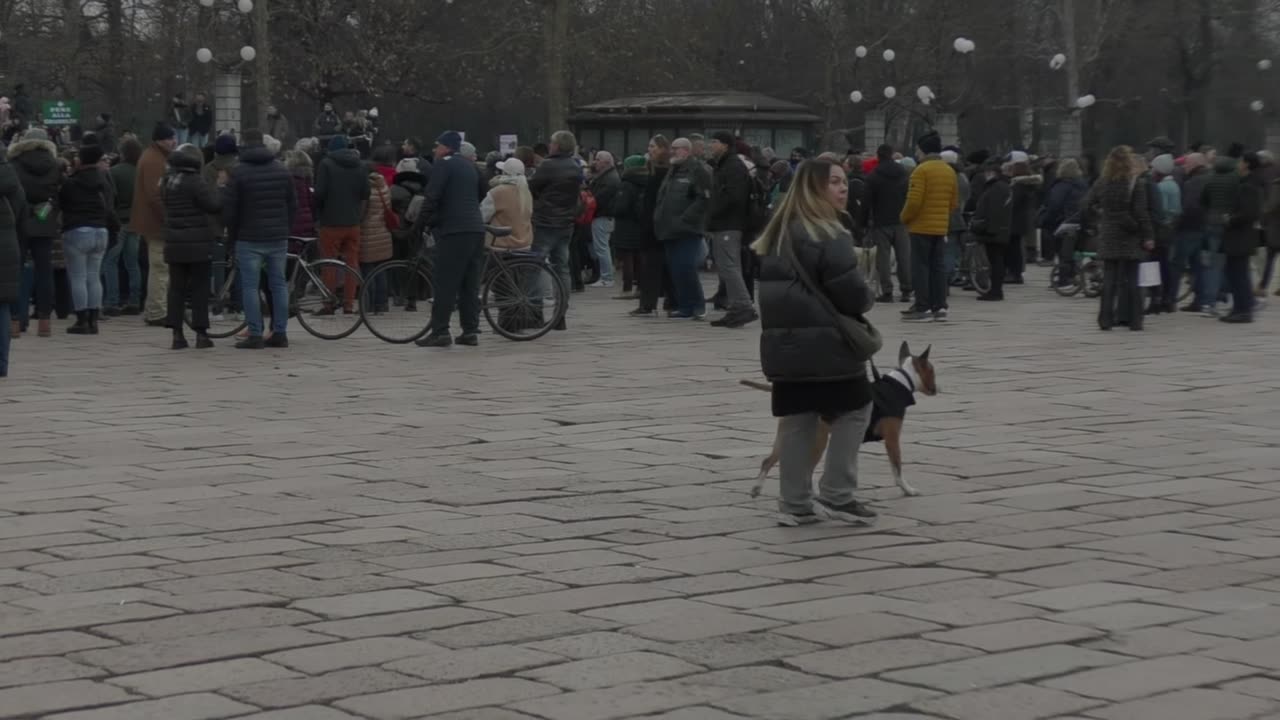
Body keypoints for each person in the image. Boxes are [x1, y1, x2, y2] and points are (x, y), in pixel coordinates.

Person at [752, 157, 877, 527]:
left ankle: (794, 502)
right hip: (828, 346)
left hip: (785, 346)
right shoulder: (830, 234)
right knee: (856, 410)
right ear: (814, 188)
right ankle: (838, 493)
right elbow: (852, 296)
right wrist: (867, 293)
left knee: (797, 420)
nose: (843, 188)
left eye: (844, 181)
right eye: (835, 182)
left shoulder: (776, 233)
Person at [222, 128, 297, 349]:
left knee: (250, 287)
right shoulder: (282, 170)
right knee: (279, 285)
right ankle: (280, 332)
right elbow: (293, 205)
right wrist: (284, 227)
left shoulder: (238, 172)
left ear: (243, 146)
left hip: (249, 237)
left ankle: (255, 333)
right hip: (277, 237)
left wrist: (232, 237)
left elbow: (230, 211)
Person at [412, 131, 484, 347]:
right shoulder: (470, 166)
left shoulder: (443, 164)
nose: (434, 150)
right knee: (470, 284)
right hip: (475, 228)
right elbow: (482, 192)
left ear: (446, 147)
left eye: (437, 145)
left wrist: (419, 225)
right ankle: (470, 331)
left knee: (445, 282)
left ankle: (441, 331)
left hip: (454, 231)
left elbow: (432, 196)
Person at [1086, 145, 1153, 331]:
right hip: (1130, 235)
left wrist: (1100, 216)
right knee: (1133, 279)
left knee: (1109, 279)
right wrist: (1148, 235)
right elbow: (1141, 213)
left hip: (1109, 234)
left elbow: (1086, 204)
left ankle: (1105, 319)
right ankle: (1135, 320)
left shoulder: (1102, 182)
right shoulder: (1135, 183)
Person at [161, 143, 221, 349]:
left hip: (174, 243)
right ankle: (201, 334)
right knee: (199, 289)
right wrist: (220, 188)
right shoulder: (197, 182)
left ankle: (177, 335)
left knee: (176, 289)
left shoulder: (168, 182)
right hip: (198, 244)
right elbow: (213, 205)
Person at [10, 128, 64, 337]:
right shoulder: (54, 165)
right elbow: (58, 195)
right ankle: (44, 321)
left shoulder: (15, 164)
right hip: (44, 219)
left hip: (20, 220)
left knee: (17, 271)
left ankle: (15, 321)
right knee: (44, 271)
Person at [899, 131, 958, 322]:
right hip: (940, 227)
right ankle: (940, 306)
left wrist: (904, 217)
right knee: (938, 267)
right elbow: (953, 202)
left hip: (920, 227)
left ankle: (922, 306)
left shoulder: (921, 171)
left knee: (920, 267)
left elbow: (914, 202)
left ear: (923, 151)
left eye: (917, 150)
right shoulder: (949, 170)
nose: (916, 154)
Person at [528, 130, 583, 330]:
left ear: (557, 146)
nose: (550, 145)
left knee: (534, 266)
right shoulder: (576, 167)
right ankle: (560, 315)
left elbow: (532, 187)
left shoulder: (548, 165)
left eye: (552, 142)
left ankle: (535, 311)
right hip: (566, 223)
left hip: (544, 222)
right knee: (562, 268)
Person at [58, 143, 114, 335]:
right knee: (94, 277)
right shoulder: (104, 179)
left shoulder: (71, 182)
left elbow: (61, 203)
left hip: (77, 230)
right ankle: (94, 320)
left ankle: (81, 320)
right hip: (101, 231)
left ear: (80, 160)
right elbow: (109, 205)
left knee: (78, 278)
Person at [654, 137, 711, 320]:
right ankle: (684, 306)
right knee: (676, 269)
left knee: (686, 267)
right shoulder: (674, 170)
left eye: (676, 148)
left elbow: (704, 198)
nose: (672, 151)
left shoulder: (697, 170)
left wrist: (685, 218)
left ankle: (697, 306)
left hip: (687, 229)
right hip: (668, 229)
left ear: (686, 150)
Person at [706, 131, 756, 328]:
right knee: (726, 267)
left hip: (730, 224)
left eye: (715, 142)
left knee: (730, 266)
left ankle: (743, 306)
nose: (712, 145)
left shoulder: (732, 165)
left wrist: (714, 211)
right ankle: (736, 308)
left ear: (725, 145)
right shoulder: (724, 164)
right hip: (724, 223)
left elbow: (735, 197)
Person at [314, 134, 369, 314]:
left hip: (330, 222)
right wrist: (358, 217)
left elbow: (320, 193)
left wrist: (319, 215)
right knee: (351, 264)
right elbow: (365, 195)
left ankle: (328, 303)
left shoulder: (326, 164)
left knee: (329, 264)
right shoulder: (361, 165)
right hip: (353, 223)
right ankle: (348, 304)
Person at [133, 123, 177, 327]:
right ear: (160, 139)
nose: (174, 141)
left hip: (153, 221)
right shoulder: (154, 160)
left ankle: (155, 309)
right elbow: (155, 195)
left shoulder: (153, 156)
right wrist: (169, 218)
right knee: (160, 268)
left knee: (158, 268)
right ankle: (157, 311)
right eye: (170, 138)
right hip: (156, 223)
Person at [861, 144, 911, 303]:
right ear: (891, 155)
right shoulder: (904, 174)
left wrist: (862, 223)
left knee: (883, 258)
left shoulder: (873, 176)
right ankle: (906, 290)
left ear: (878, 156)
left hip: (881, 221)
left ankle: (887, 291)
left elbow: (866, 202)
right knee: (904, 257)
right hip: (902, 220)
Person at [1196, 153, 1244, 316]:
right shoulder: (1236, 180)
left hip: (1211, 223)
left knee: (1213, 265)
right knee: (1233, 264)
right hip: (1229, 225)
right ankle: (1229, 296)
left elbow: (1202, 202)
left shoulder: (1210, 179)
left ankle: (1209, 303)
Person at [633, 136, 671, 317]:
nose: (650, 149)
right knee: (657, 265)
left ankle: (648, 304)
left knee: (652, 266)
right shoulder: (654, 170)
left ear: (663, 148)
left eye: (653, 146)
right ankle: (659, 302)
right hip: (653, 224)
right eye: (649, 146)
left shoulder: (661, 172)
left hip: (655, 225)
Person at [1221, 154, 1262, 323]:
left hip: (1241, 237)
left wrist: (1230, 219)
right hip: (1239, 236)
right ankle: (1239, 307)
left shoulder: (1249, 186)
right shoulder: (1246, 183)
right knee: (1234, 273)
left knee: (1239, 274)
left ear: (1246, 164)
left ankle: (1244, 310)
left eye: (1240, 161)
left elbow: (1249, 213)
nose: (1238, 164)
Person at [103, 138, 142, 316]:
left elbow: (111, 199)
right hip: (136, 221)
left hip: (118, 221)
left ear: (123, 153)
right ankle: (135, 300)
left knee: (110, 261)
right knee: (132, 263)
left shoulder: (114, 172)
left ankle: (112, 301)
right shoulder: (141, 172)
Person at [0, 139, 26, 373]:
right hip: (6, 245)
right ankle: (2, 364)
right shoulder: (9, 178)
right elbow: (20, 206)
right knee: (2, 305)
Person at [971, 159, 1012, 301]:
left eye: (988, 172)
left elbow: (994, 211)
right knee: (997, 260)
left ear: (993, 173)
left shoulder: (996, 188)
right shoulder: (1003, 186)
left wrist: (988, 229)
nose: (986, 175)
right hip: (1001, 229)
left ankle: (995, 291)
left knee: (996, 261)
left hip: (994, 231)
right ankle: (996, 289)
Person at [610, 155, 649, 301]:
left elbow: (621, 207)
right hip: (641, 224)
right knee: (639, 257)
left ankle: (626, 289)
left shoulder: (627, 184)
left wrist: (614, 207)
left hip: (626, 226)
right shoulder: (647, 181)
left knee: (627, 258)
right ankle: (640, 288)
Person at [1175, 153, 1210, 311]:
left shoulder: (1192, 183)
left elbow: (1189, 208)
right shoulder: (1211, 178)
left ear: (1195, 165)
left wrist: (1178, 224)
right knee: (1199, 266)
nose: (1184, 167)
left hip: (1190, 228)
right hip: (1207, 227)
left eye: (1187, 164)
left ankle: (1169, 299)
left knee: (1177, 264)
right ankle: (1200, 299)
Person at [1041, 158, 1088, 274]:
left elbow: (1054, 205)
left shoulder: (1062, 185)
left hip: (1063, 222)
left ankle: (1064, 278)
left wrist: (1046, 220)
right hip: (1079, 221)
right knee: (1072, 250)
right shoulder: (1082, 185)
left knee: (1062, 251)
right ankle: (1073, 274)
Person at [1148, 154, 1182, 314]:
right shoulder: (1174, 185)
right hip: (1170, 231)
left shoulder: (1160, 187)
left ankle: (1155, 299)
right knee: (1165, 266)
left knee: (1154, 265)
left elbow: (1158, 211)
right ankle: (1168, 299)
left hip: (1159, 231)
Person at [359, 166, 394, 313]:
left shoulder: (367, 190)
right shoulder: (384, 187)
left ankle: (370, 305)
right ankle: (382, 304)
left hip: (368, 234)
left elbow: (362, 214)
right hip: (384, 234)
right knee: (381, 271)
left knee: (368, 271)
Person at [480, 157, 534, 251]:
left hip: (501, 243)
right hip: (525, 243)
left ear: (505, 173)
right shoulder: (526, 192)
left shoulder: (497, 192)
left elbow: (482, 216)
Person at [586, 151, 621, 289]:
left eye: (598, 159)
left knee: (602, 248)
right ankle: (606, 275)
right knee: (602, 247)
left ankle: (607, 277)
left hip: (603, 216)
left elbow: (598, 198)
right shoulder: (608, 176)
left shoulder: (610, 179)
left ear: (606, 162)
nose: (595, 162)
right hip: (602, 216)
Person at [1006, 160, 1043, 284]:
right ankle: (1017, 273)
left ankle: (1014, 273)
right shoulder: (1028, 184)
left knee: (1013, 248)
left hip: (1014, 220)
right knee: (1016, 247)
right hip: (1022, 220)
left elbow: (1012, 202)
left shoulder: (1018, 185)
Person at [941, 149, 970, 282]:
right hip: (958, 217)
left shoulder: (948, 176)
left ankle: (945, 280)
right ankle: (951, 276)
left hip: (949, 217)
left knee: (948, 252)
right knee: (952, 251)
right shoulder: (962, 176)